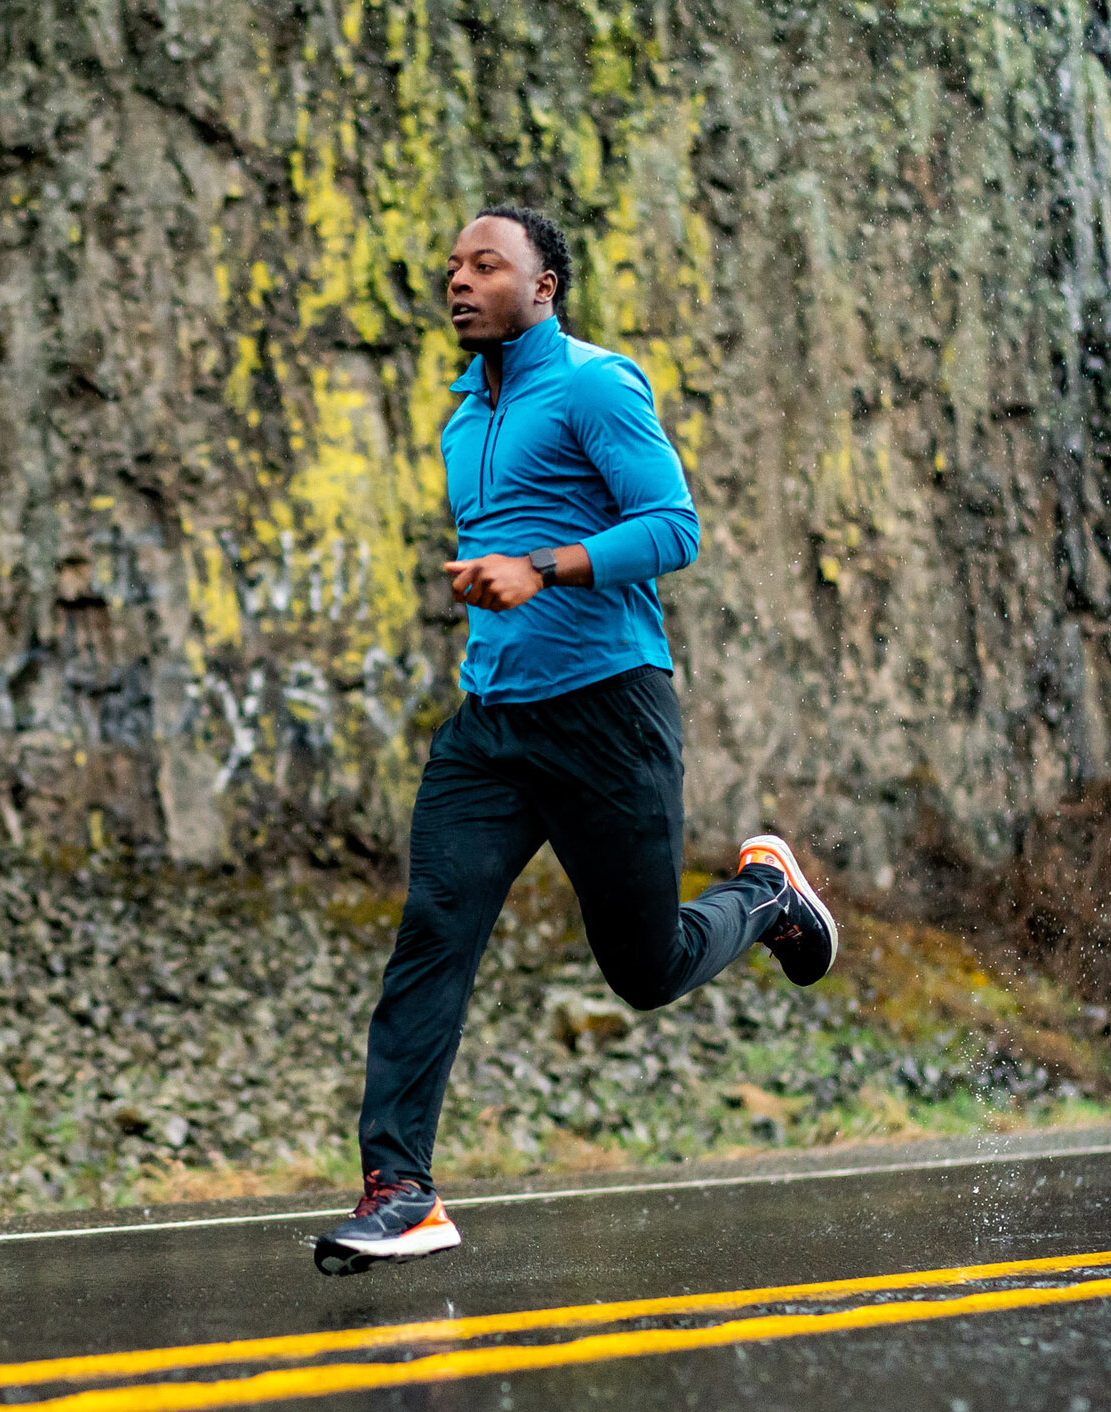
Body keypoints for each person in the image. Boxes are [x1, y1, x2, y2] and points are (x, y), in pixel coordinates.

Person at [311, 206, 840, 1277]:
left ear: (543, 285)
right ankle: (400, 1190)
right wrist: (484, 577)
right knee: (432, 931)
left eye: (485, 264)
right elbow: (499, 553)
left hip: (608, 718)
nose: (458, 280)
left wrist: (541, 566)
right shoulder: (465, 413)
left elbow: (673, 527)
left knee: (644, 970)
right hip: (491, 726)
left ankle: (766, 896)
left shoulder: (598, 384)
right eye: (451, 263)